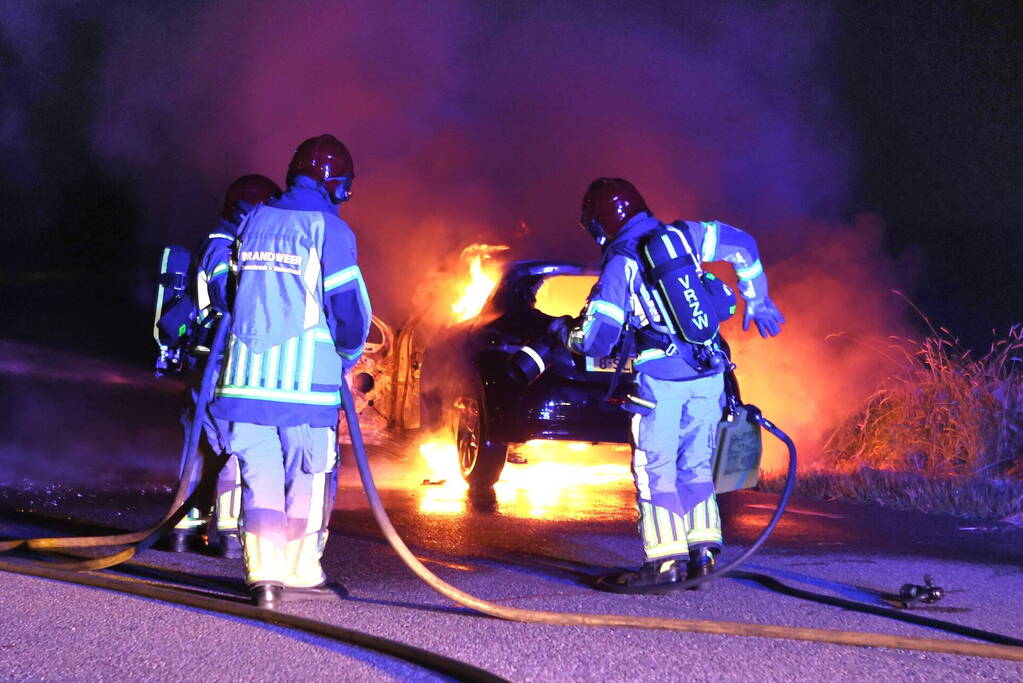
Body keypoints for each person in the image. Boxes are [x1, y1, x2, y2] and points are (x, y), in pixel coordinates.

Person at [551, 177, 784, 590]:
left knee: (655, 470)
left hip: (661, 382)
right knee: (695, 466)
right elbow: (743, 245)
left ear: (600, 225)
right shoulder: (685, 235)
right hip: (710, 374)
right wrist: (757, 299)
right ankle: (704, 556)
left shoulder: (621, 261)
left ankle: (664, 563)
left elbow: (598, 339)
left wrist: (565, 334)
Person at [208, 134, 371, 608]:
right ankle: (300, 570)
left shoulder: (256, 219)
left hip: (244, 381)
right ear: (333, 182)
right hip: (307, 389)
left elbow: (228, 293)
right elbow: (350, 311)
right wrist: (345, 353)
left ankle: (263, 578)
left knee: (258, 476)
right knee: (309, 473)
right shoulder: (331, 230)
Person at [163, 174, 282, 558]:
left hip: (218, 362)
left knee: (207, 448)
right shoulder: (220, 243)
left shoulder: (233, 243)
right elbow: (224, 294)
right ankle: (224, 533)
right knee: (228, 444)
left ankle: (189, 528)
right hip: (214, 363)